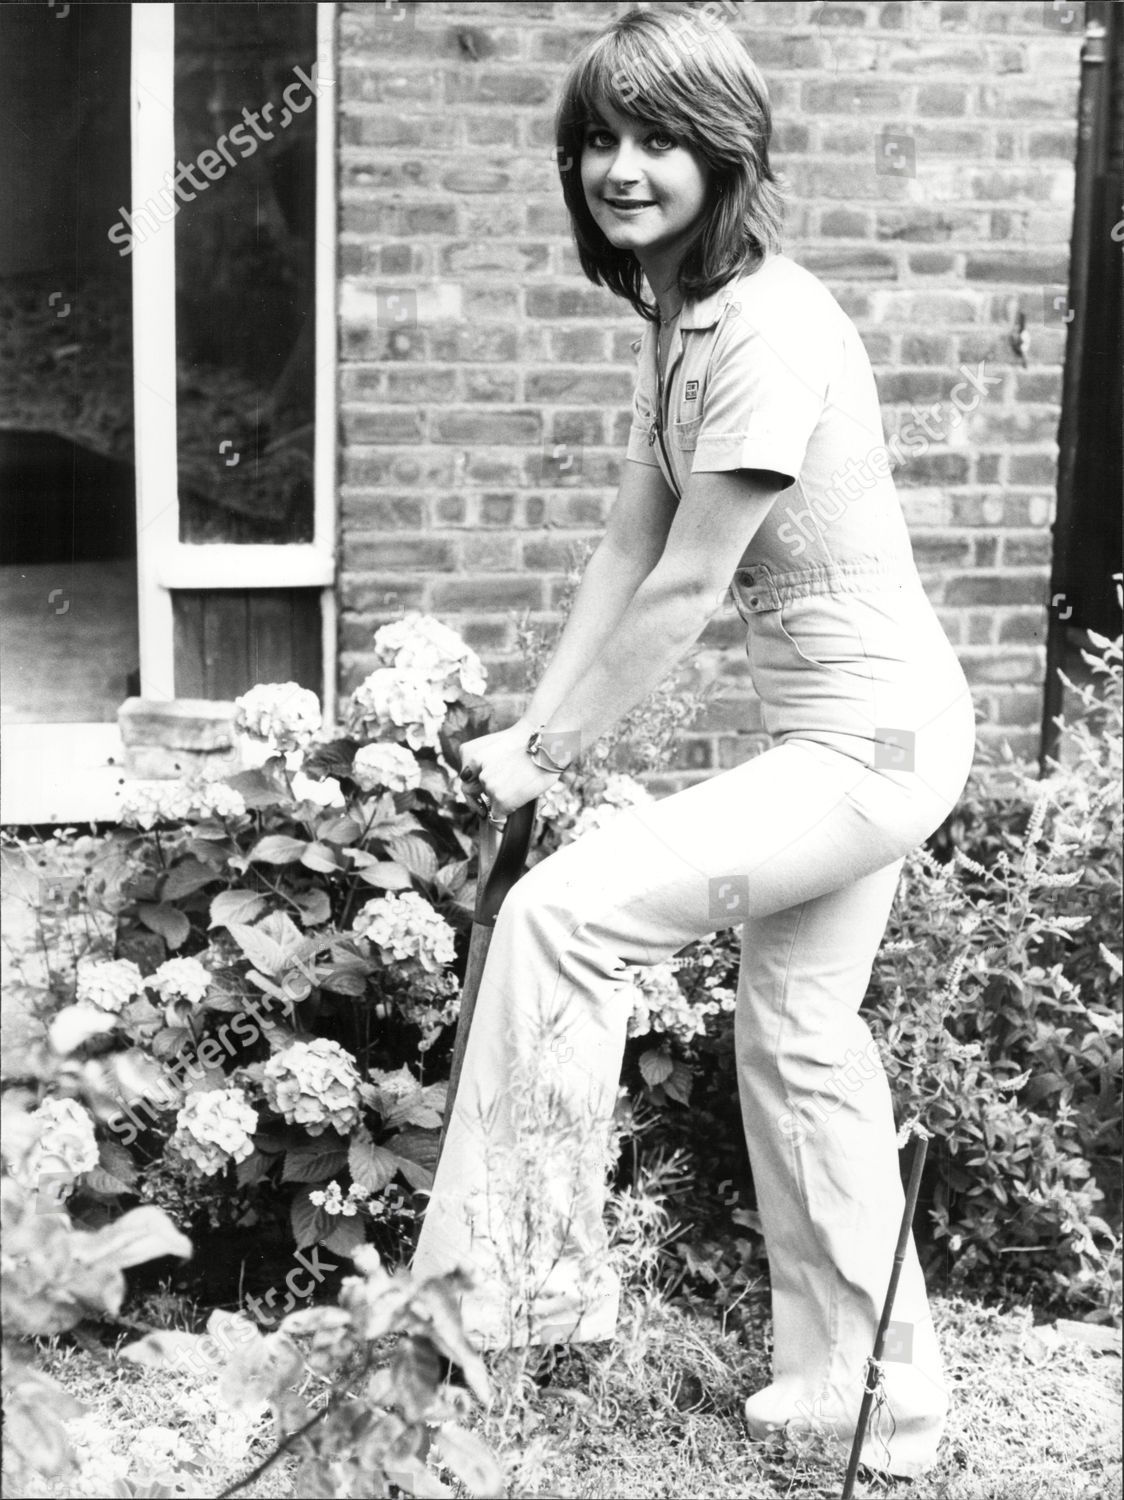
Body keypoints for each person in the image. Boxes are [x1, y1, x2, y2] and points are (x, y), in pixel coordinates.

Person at [410, 3, 975, 1481]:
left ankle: (513, 1304)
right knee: (799, 1037)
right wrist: (537, 726)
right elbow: (623, 547)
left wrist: (557, 762)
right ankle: (879, 1396)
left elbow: (687, 588)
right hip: (861, 732)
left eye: (659, 137)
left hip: (876, 739)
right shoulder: (685, 321)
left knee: (563, 917)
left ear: (725, 157)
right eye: (599, 136)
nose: (622, 165)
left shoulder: (769, 327)